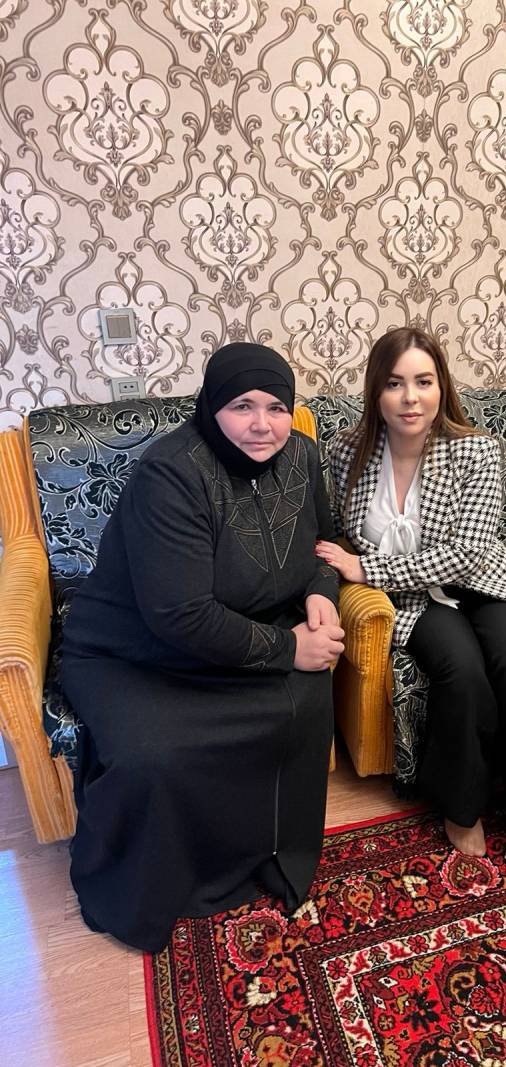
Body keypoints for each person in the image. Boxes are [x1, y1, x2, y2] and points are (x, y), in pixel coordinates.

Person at [61, 342, 344, 952]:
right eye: (242, 406)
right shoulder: (171, 474)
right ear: (212, 405)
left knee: (301, 705)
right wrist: (287, 648)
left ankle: (266, 856)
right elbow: (179, 614)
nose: (263, 424)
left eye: (276, 407)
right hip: (134, 651)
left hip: (245, 631)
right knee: (151, 755)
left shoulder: (302, 456)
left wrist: (321, 592)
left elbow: (327, 543)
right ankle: (149, 890)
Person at [315, 327, 506, 858]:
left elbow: (467, 553)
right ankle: (461, 803)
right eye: (394, 383)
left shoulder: (476, 450)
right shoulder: (346, 452)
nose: (410, 398)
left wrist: (367, 568)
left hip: (480, 580)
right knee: (462, 671)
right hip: (410, 597)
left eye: (423, 382)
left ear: (441, 386)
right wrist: (343, 568)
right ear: (375, 391)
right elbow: (337, 529)